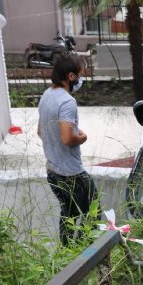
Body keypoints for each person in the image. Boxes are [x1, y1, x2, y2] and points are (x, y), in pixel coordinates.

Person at [37, 53, 98, 245]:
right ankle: (87, 255)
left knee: (68, 214)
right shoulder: (67, 102)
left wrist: (71, 130)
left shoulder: (47, 95)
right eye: (80, 74)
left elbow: (40, 131)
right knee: (93, 215)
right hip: (71, 174)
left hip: (52, 172)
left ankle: (67, 252)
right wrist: (82, 136)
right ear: (71, 76)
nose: (81, 79)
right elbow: (66, 138)